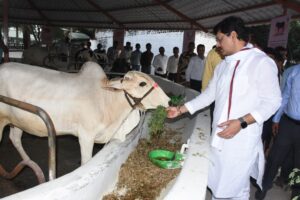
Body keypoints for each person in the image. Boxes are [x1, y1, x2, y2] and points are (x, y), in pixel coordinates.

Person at [166, 16, 281, 199]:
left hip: (241, 138)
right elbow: (209, 95)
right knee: (219, 184)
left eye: (220, 39)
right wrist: (180, 109)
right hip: (219, 135)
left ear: (233, 35)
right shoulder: (223, 66)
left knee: (235, 186)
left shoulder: (261, 62)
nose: (218, 45)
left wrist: (242, 122)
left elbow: (273, 101)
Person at [256, 64, 300, 200]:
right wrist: (276, 119)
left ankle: (296, 193)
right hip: (288, 123)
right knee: (274, 158)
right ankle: (263, 187)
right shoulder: (294, 72)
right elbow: (285, 96)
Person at [201, 46, 223, 130]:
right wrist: (204, 95)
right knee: (215, 121)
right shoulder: (213, 53)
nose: (217, 44)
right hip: (215, 95)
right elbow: (207, 76)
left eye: (220, 39)